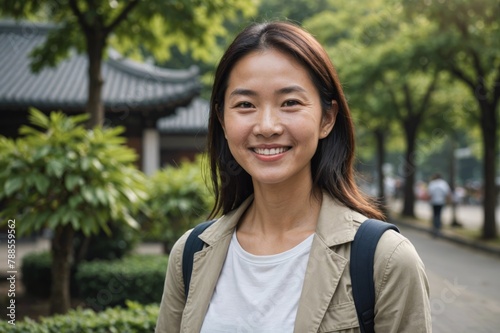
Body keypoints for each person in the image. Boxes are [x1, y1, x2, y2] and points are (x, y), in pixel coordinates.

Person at [156, 21, 431, 333]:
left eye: (290, 103)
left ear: (327, 118)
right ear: (222, 119)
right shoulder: (190, 255)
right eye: (245, 104)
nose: (267, 126)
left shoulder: (385, 260)